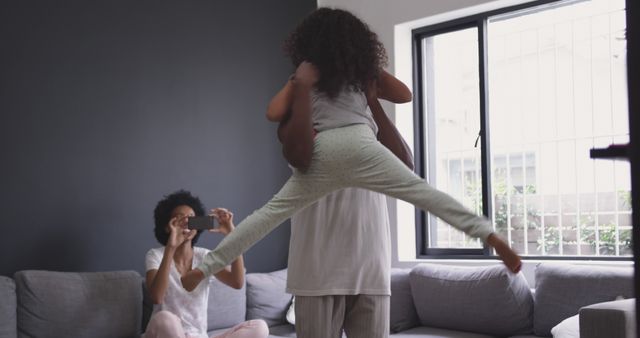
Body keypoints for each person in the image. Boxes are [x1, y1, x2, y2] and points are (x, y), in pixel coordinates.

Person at [181, 7, 521, 294]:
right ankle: (488, 234)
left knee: (266, 216)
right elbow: (405, 95)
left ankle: (205, 268)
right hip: (361, 143)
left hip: (323, 151)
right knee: (424, 193)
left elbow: (272, 113)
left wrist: (300, 82)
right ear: (357, 42)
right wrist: (370, 74)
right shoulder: (361, 72)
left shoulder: (304, 74)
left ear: (307, 43)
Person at [272, 69, 414, 338]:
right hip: (317, 274)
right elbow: (293, 146)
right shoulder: (303, 121)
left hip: (370, 269)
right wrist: (301, 87)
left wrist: (372, 100)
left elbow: (406, 165)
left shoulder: (367, 126)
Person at [144, 190, 268, 338]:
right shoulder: (155, 255)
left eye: (191, 218)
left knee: (259, 328)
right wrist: (171, 247)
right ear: (167, 226)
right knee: (165, 318)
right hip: (165, 332)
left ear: (197, 226)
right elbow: (157, 297)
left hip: (198, 335)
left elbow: (237, 282)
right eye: (179, 219)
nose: (186, 222)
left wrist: (233, 236)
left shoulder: (204, 256)